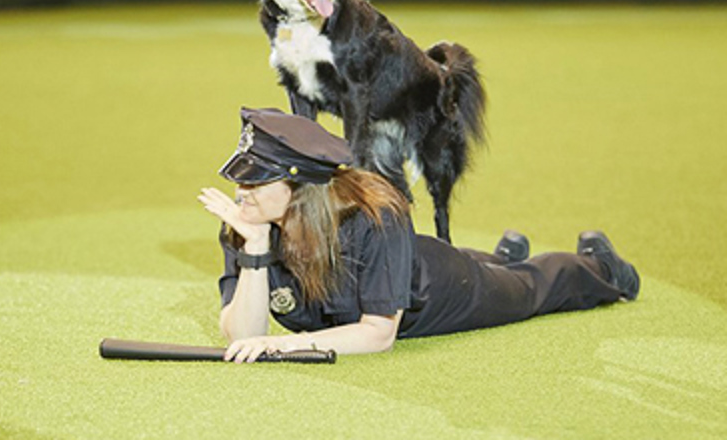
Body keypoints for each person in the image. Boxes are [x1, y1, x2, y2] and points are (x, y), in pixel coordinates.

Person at [198, 107, 640, 364]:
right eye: (242, 178)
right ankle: (501, 256)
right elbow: (243, 334)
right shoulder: (246, 225)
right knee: (497, 269)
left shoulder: (373, 217)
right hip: (404, 263)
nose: (241, 191)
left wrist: (283, 344)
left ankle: (603, 268)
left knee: (529, 288)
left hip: (437, 291)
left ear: (300, 190)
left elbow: (377, 335)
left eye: (256, 181)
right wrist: (255, 253)